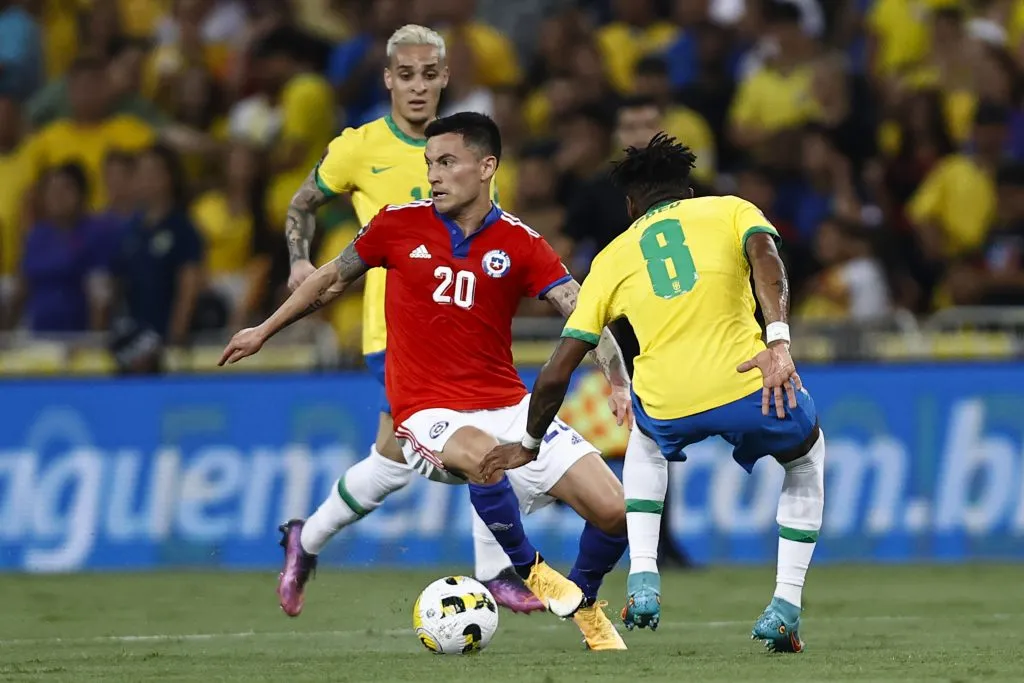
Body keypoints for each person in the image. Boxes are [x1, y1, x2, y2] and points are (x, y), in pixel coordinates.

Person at [221, 112, 633, 651]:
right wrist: (265, 329)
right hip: (429, 412)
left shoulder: (521, 243)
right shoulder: (397, 224)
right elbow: (327, 281)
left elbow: (580, 312)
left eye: (447, 162)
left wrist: (618, 381)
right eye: (429, 164)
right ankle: (526, 573)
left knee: (615, 512)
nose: (433, 176)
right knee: (484, 457)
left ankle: (584, 603)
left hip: (508, 403)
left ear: (487, 167)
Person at [481, 134, 827, 654]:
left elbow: (557, 370)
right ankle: (785, 607)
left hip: (667, 401)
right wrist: (778, 341)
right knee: (807, 457)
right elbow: (768, 260)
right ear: (686, 190)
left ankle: (643, 578)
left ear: (630, 205)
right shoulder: (731, 209)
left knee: (643, 436)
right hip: (748, 382)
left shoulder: (612, 258)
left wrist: (528, 444)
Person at [278, 24, 541, 616]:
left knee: (392, 465)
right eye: (406, 75)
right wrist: (299, 259)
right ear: (388, 79)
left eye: (429, 74)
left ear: (445, 78)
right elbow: (301, 202)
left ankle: (306, 539)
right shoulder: (358, 147)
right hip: (396, 335)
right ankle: (496, 572)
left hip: (472, 325)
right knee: (490, 442)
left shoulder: (473, 147)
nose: (418, 86)